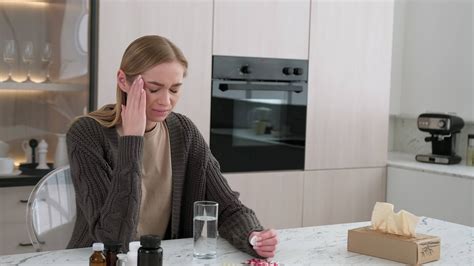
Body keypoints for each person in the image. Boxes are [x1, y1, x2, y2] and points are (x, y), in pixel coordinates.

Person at [66, 35, 278, 258]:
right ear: (123, 80)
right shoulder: (87, 134)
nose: (166, 101)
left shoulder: (184, 132)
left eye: (174, 90)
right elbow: (112, 239)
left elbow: (227, 206)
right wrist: (132, 140)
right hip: (94, 260)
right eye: (154, 89)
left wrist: (253, 235)